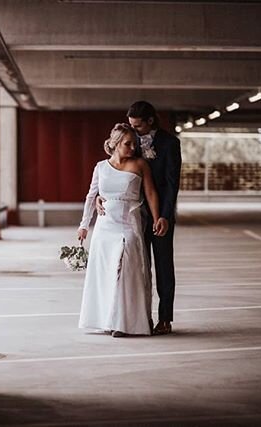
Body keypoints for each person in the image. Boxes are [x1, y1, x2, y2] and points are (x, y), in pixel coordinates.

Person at [97, 101, 182, 335]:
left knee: (164, 266)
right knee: (130, 269)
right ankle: (132, 318)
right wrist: (99, 197)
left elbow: (171, 185)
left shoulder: (170, 143)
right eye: (131, 126)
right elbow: (112, 170)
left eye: (137, 125)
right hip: (131, 218)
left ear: (150, 121)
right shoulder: (128, 139)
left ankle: (165, 319)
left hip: (159, 217)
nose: (133, 131)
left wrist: (164, 215)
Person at [77, 123, 165, 337]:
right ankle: (106, 320)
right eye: (127, 144)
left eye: (134, 144)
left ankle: (124, 323)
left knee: (126, 270)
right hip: (104, 227)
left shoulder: (140, 165)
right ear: (115, 144)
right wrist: (84, 225)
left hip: (129, 225)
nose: (132, 148)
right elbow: (91, 196)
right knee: (106, 274)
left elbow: (151, 193)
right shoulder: (100, 167)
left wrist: (157, 218)